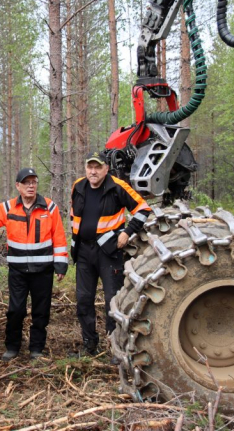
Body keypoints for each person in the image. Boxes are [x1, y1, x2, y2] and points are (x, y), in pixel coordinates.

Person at [0, 168, 68, 361]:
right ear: (18, 186)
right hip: (18, 271)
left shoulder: (49, 208)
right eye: (26, 182)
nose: (31, 186)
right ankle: (12, 347)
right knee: (16, 310)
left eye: (34, 182)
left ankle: (36, 349)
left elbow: (58, 236)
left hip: (43, 271)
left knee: (41, 312)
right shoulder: (8, 208)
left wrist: (60, 263)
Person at [70, 151, 151, 358]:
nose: (93, 171)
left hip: (108, 251)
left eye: (98, 167)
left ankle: (115, 347)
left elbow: (143, 209)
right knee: (83, 299)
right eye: (90, 167)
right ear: (85, 168)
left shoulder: (117, 186)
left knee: (112, 299)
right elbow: (74, 217)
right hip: (83, 251)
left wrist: (127, 232)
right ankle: (89, 344)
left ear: (106, 168)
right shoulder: (78, 186)